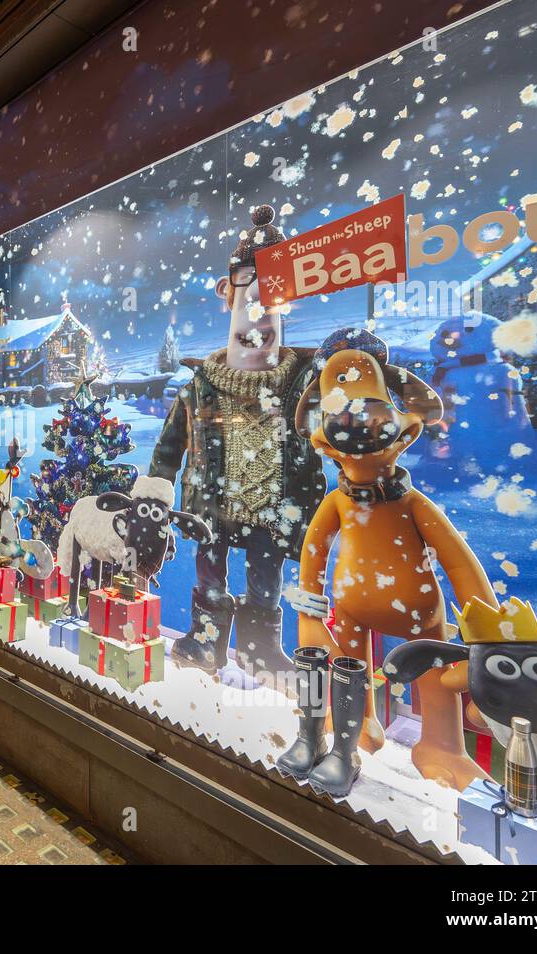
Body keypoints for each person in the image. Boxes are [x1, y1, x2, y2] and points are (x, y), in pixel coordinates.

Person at [150, 205, 325, 684]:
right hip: (212, 503)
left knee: (266, 575)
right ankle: (206, 640)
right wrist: (155, 492)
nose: (259, 306)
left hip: (273, 507)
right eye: (251, 283)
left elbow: (328, 442)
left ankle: (259, 649)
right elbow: (168, 449)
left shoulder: (303, 388)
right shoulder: (200, 387)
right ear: (227, 292)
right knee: (210, 569)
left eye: (274, 289)